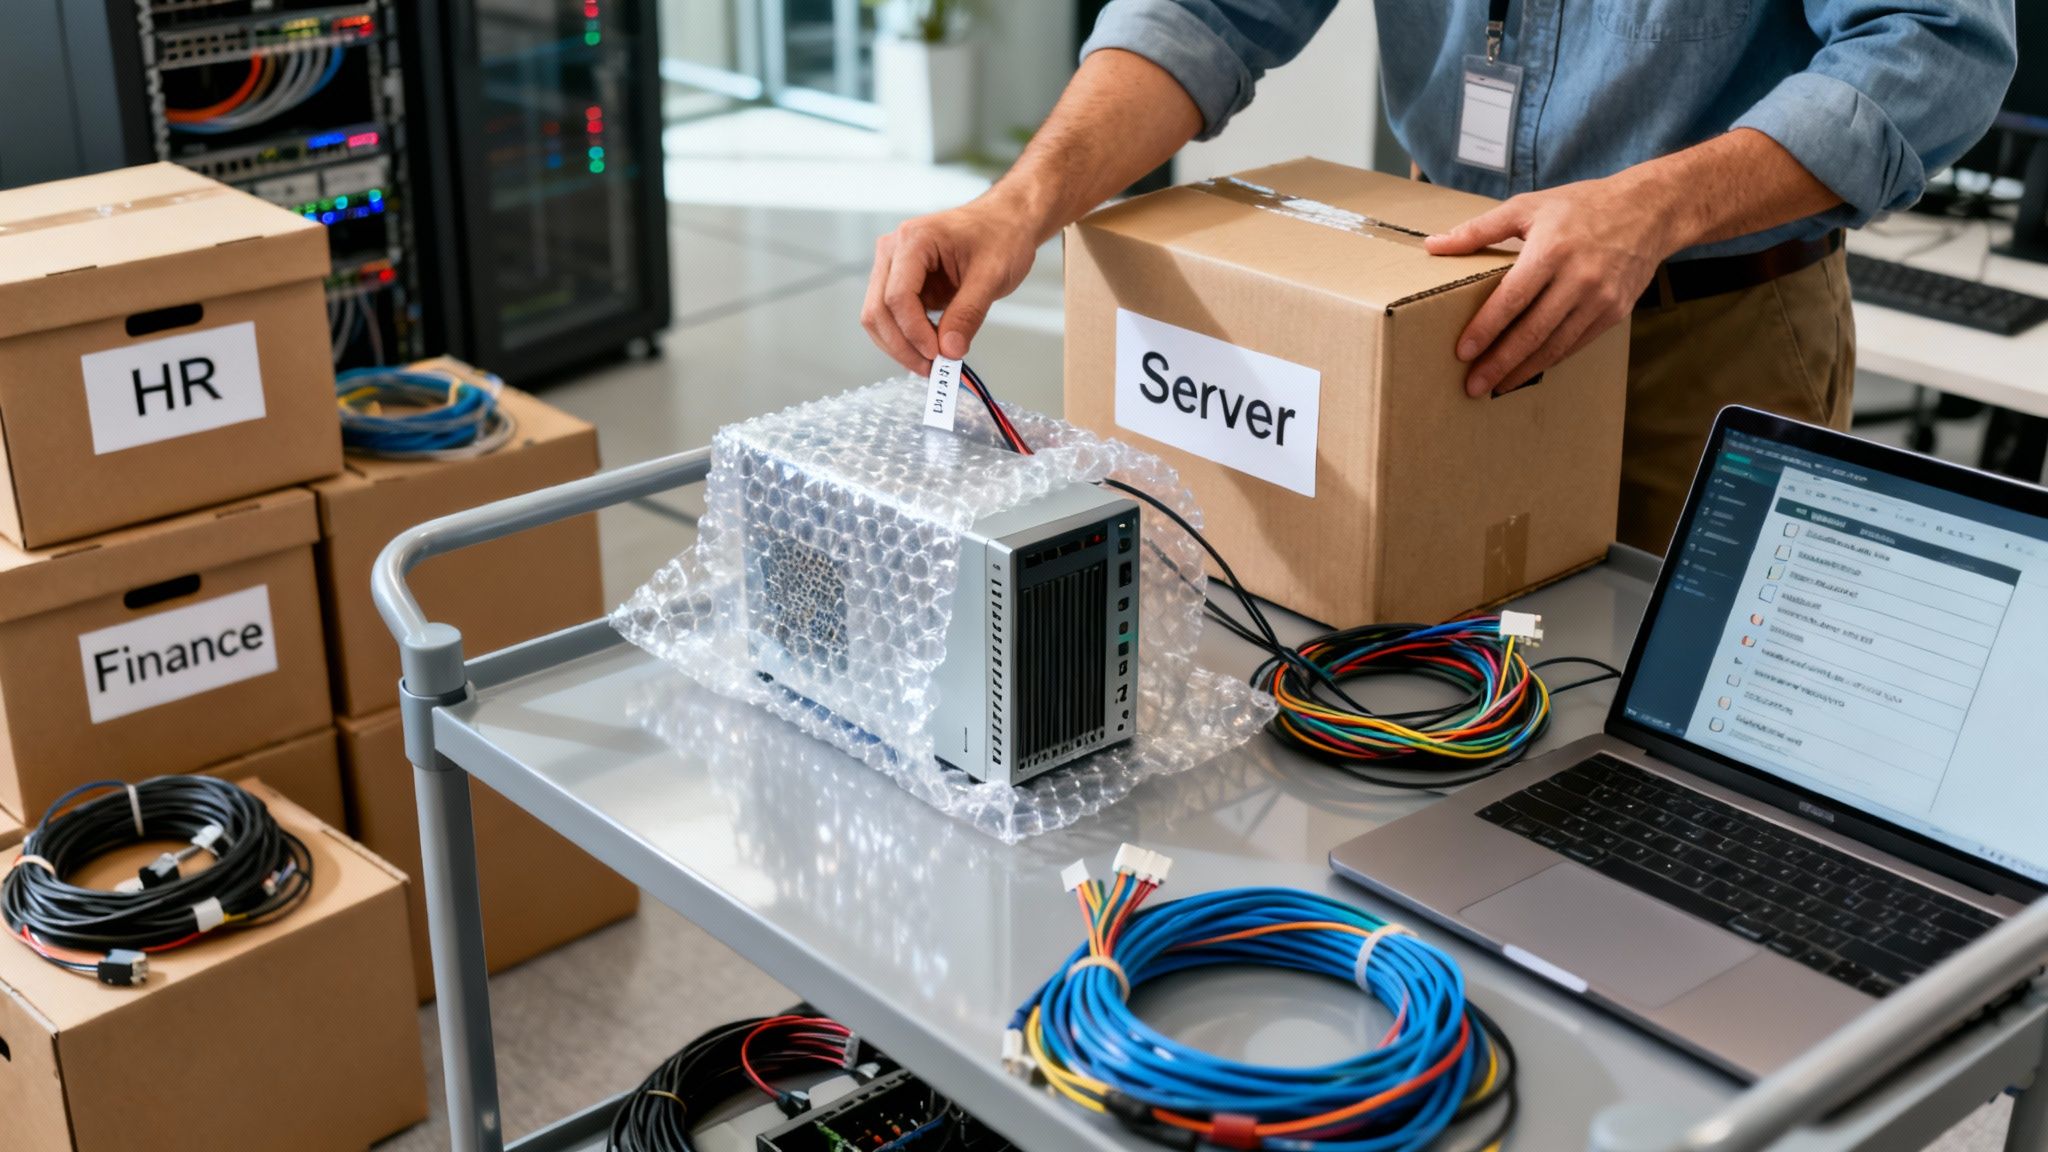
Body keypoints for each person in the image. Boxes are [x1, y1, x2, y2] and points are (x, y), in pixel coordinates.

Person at [861, 0, 2017, 552]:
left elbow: (1932, 43)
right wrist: (1014, 205)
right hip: (1424, 310)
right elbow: (1206, 13)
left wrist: (1651, 205)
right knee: (1411, 717)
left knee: (1658, 761)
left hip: (1699, 330)